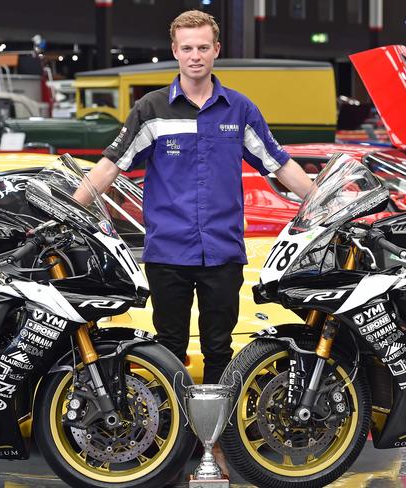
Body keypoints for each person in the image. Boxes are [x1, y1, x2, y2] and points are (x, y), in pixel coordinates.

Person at [78, 9, 312, 476]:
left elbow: (279, 163)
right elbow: (110, 166)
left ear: (216, 50)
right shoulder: (151, 110)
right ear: (175, 52)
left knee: (223, 352)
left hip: (223, 252)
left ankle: (221, 445)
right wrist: (72, 204)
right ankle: (173, 447)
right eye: (187, 47)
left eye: (203, 46)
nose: (195, 55)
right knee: (168, 351)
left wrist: (324, 201)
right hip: (167, 252)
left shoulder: (240, 110)